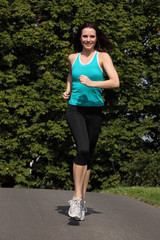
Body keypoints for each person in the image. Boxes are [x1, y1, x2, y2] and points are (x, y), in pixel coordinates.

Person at [63, 22, 119, 221]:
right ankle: (77, 198)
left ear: (96, 38)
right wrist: (69, 89)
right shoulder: (73, 57)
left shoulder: (103, 57)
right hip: (75, 109)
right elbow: (71, 74)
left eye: (92, 37)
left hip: (95, 111)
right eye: (85, 36)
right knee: (83, 149)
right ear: (80, 38)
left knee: (88, 157)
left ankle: (82, 203)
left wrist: (93, 83)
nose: (88, 40)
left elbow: (115, 81)